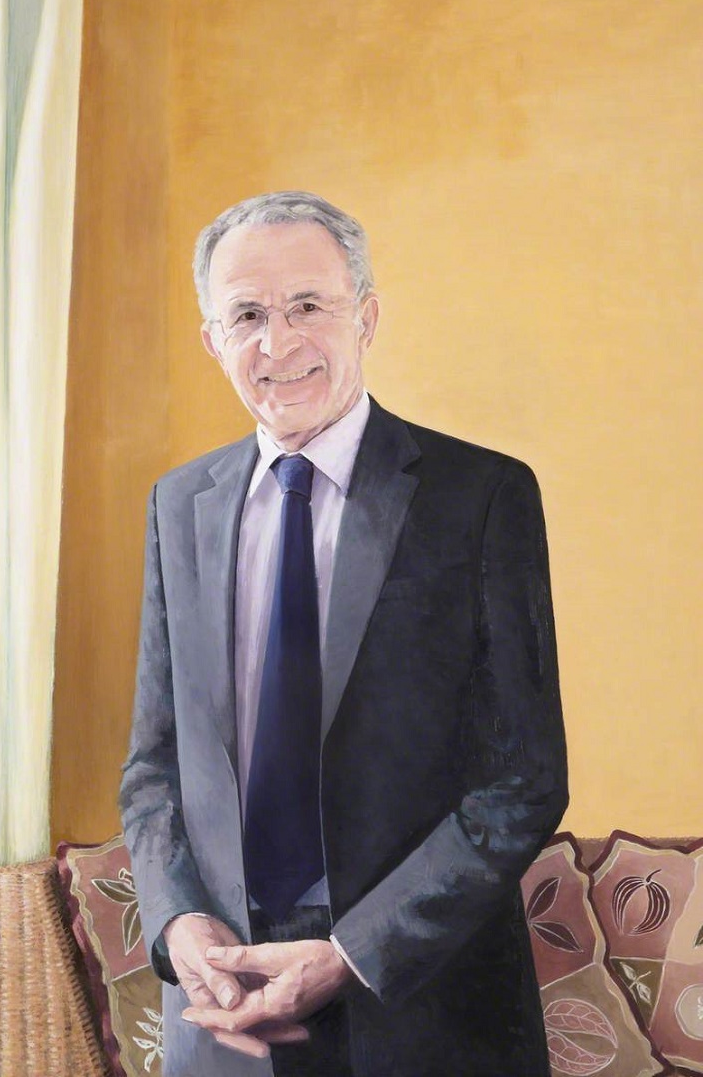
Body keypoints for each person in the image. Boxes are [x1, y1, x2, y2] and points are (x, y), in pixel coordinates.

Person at [119, 190, 568, 1077]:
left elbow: (522, 780)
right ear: (213, 340)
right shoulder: (178, 505)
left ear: (366, 317)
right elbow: (154, 765)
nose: (277, 344)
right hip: (227, 1024)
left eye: (307, 306)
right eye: (247, 315)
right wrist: (178, 923)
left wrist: (352, 953)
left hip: (422, 1014)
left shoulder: (480, 496)